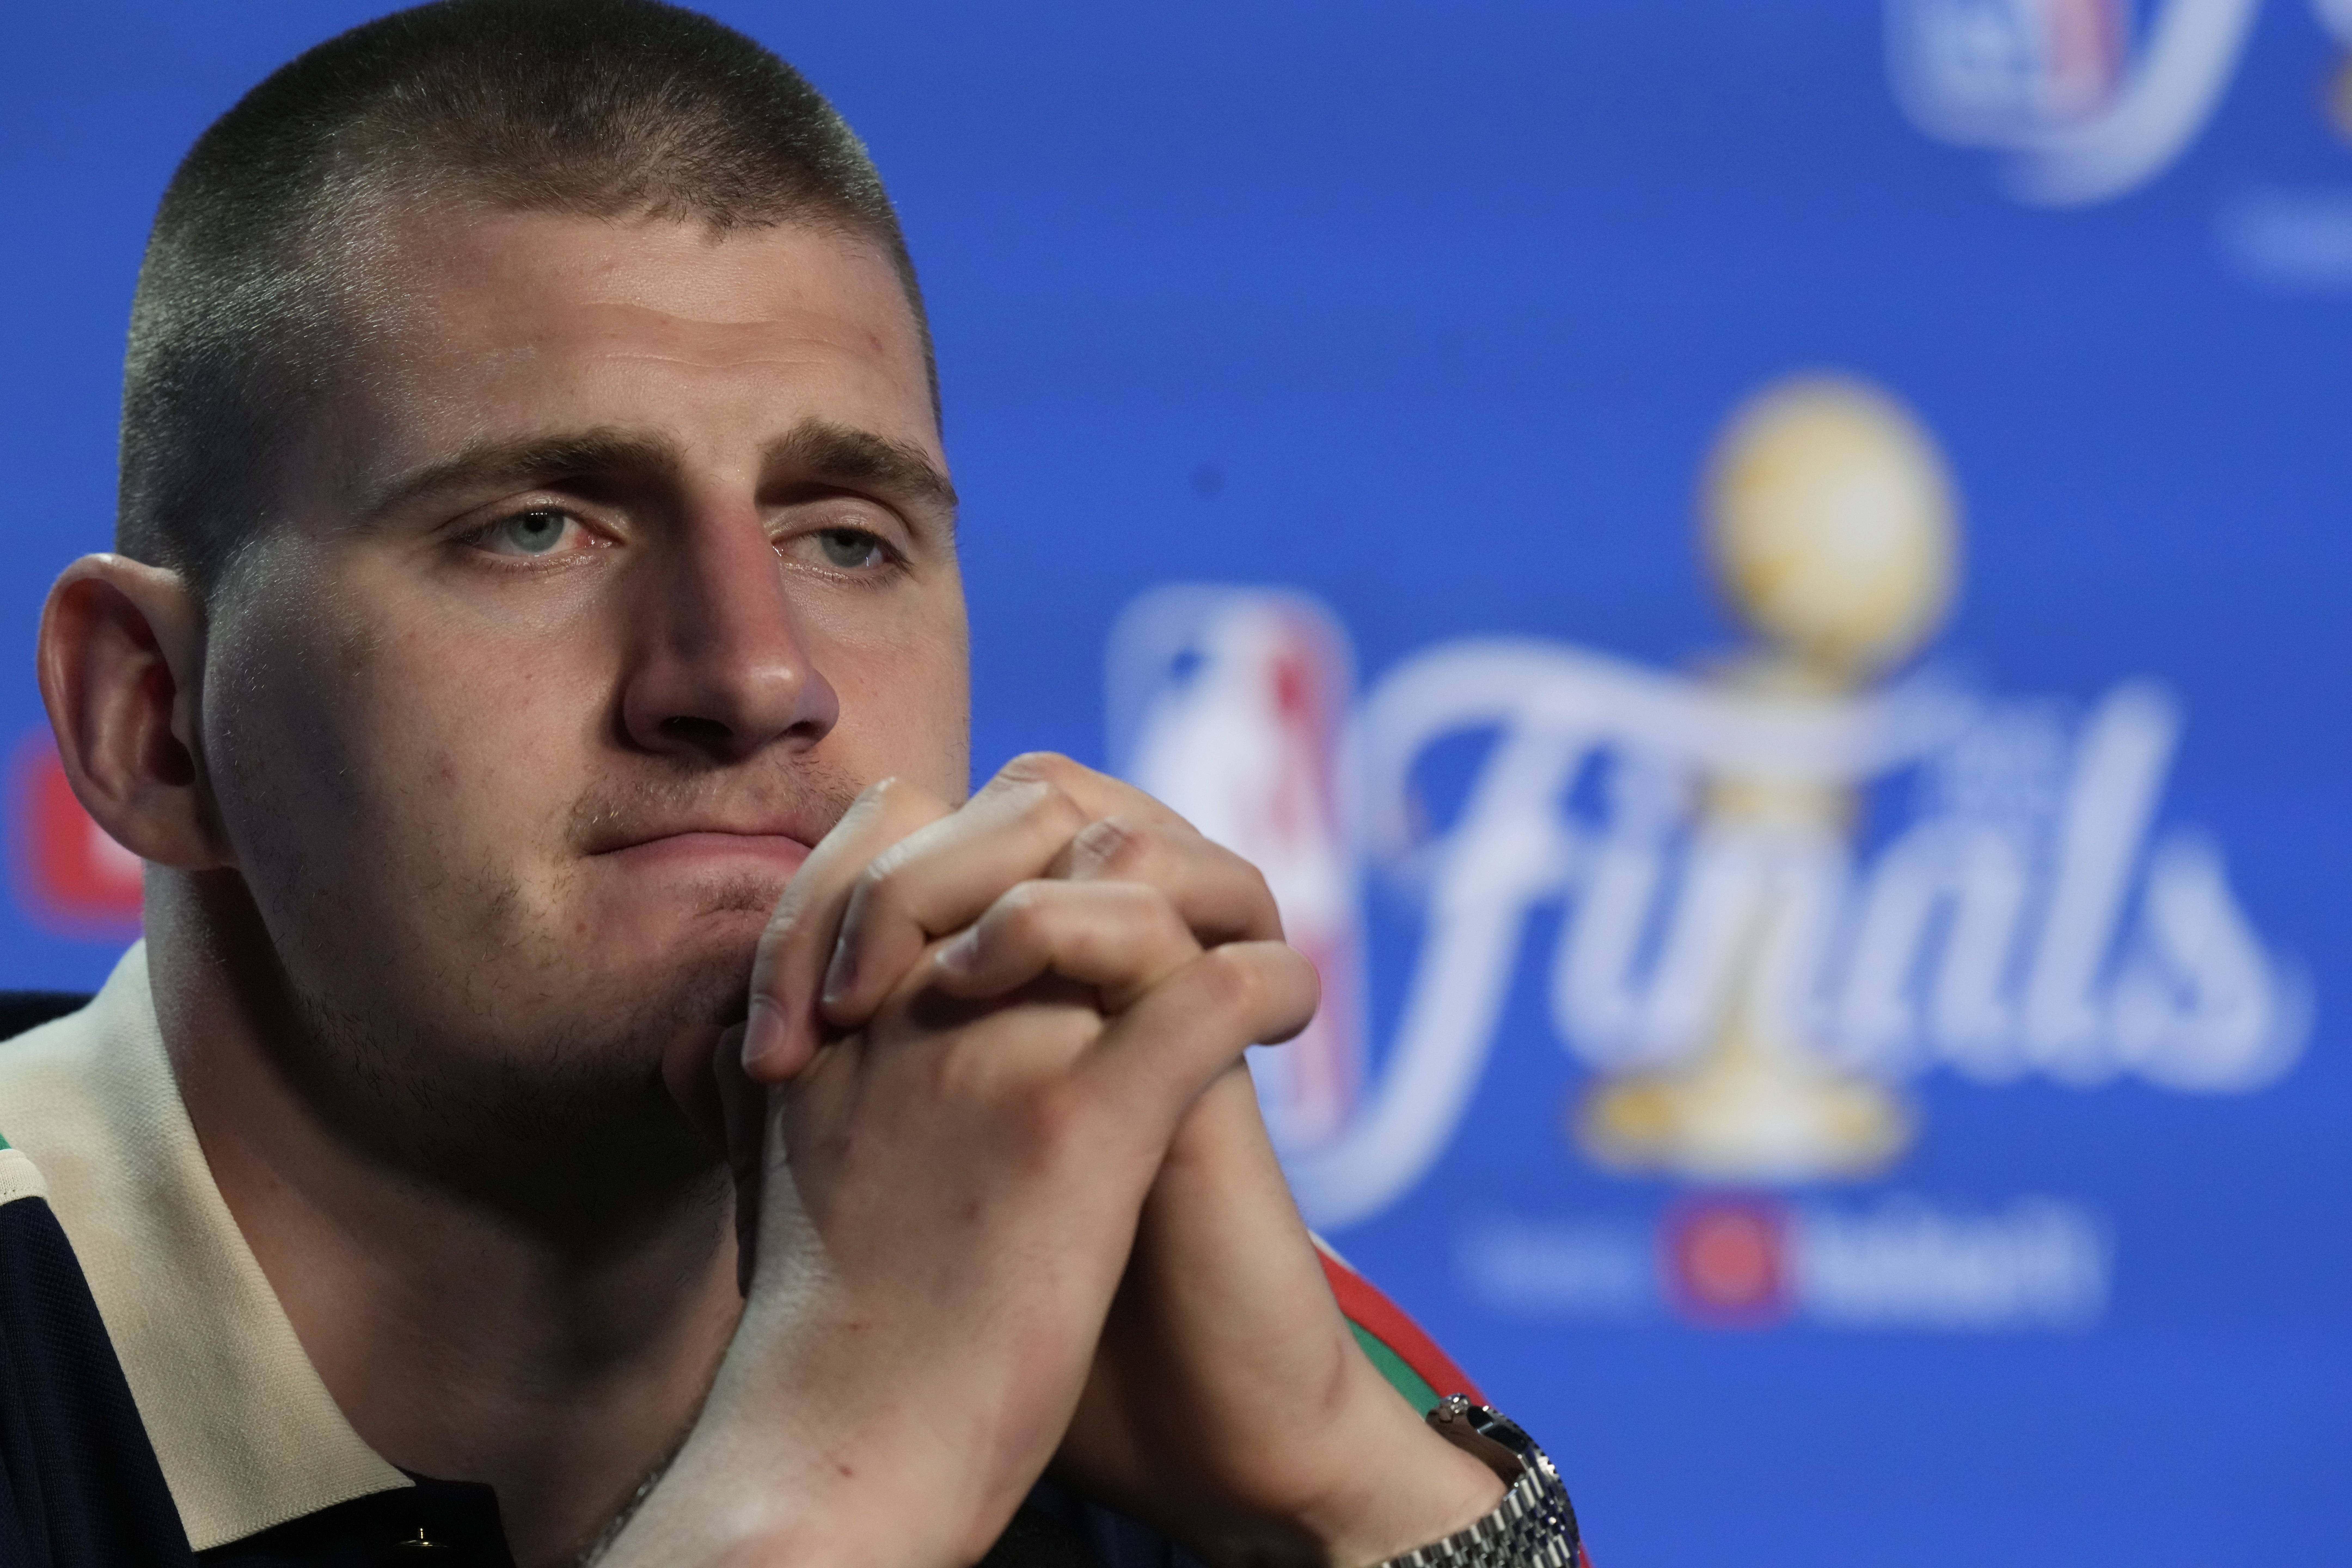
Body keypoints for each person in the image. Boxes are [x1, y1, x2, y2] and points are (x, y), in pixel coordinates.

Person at [0, 4, 1585, 1566]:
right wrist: (835, 1489)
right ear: (154, 720)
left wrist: (1344, 1498)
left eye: (844, 537)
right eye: (538, 526)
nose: (758, 675)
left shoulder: (1144, 1303)